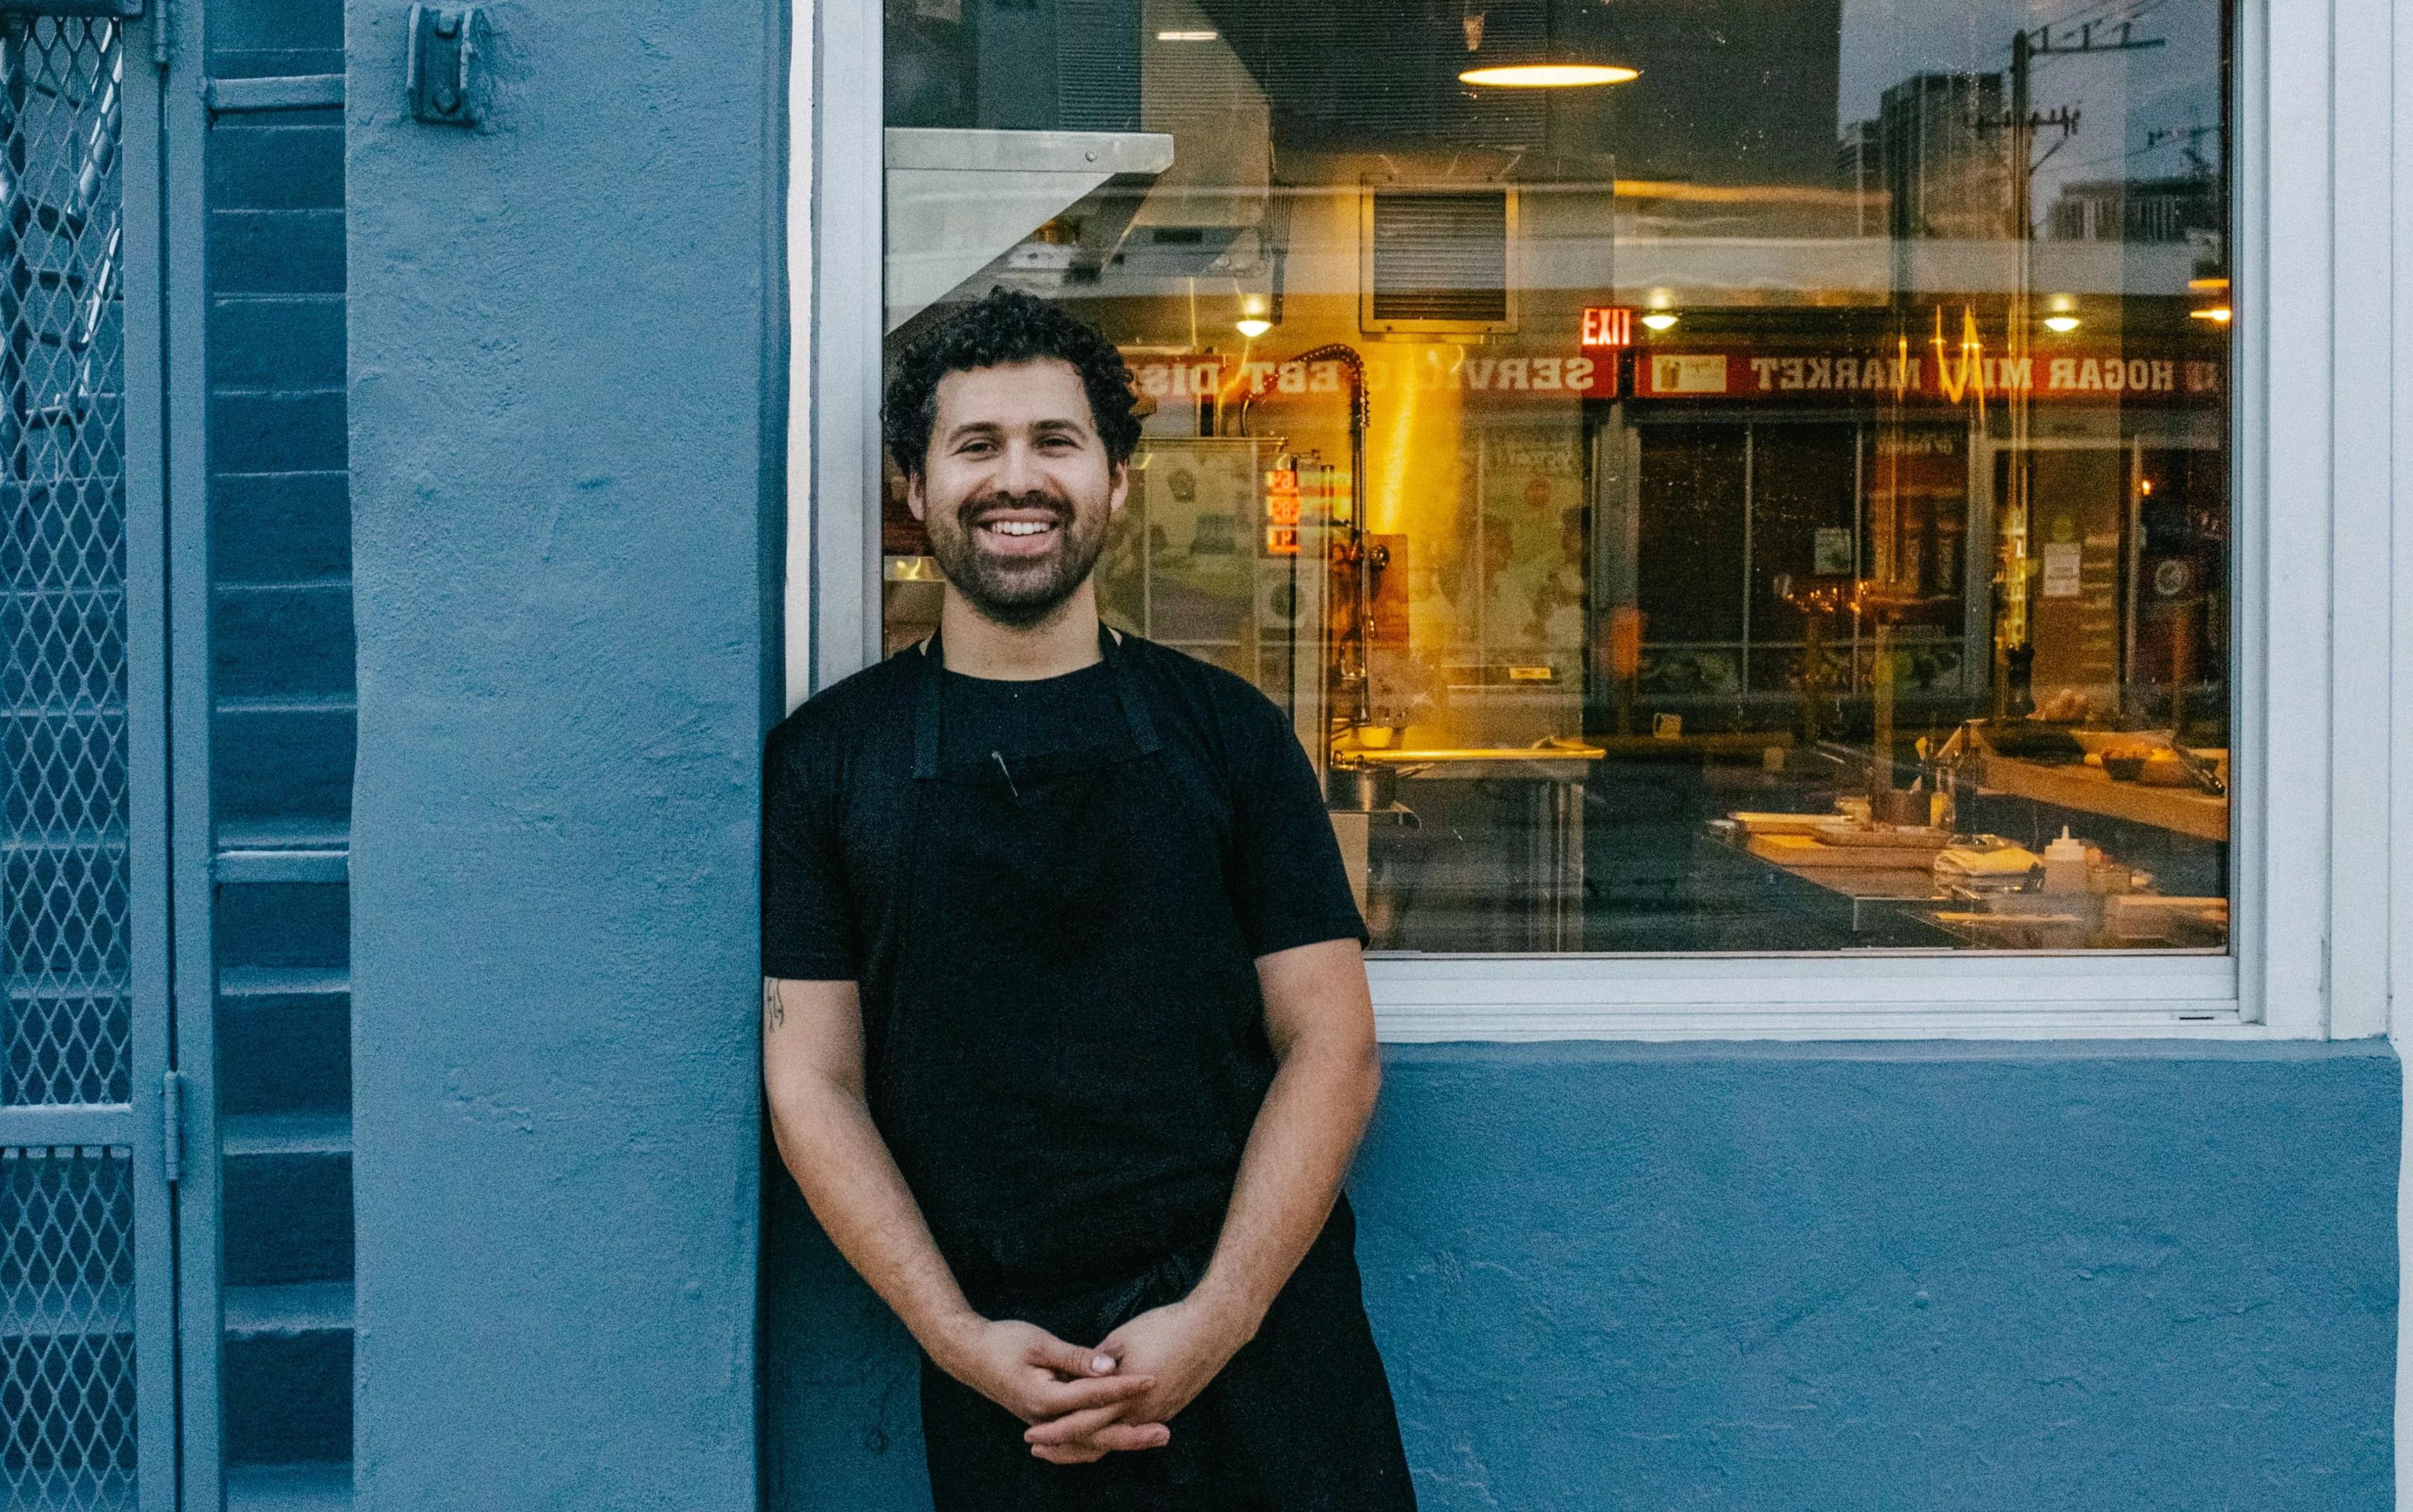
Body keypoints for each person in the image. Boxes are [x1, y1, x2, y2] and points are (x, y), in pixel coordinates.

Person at [761, 288, 1418, 1510]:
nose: (1020, 480)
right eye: (978, 446)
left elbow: (1335, 1047)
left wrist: (1214, 1322)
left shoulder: (1230, 736)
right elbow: (813, 1081)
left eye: (1055, 443)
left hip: (1265, 1344)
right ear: (916, 491)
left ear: (1117, 482)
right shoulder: (827, 764)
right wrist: (958, 1338)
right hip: (1019, 1374)